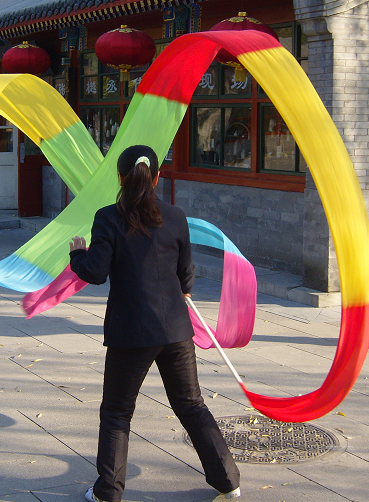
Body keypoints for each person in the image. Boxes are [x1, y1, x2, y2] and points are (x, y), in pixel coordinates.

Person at [69, 145, 240, 502]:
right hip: (176, 330)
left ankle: (108, 491)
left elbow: (95, 272)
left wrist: (77, 254)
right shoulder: (175, 216)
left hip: (131, 333)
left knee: (117, 412)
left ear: (120, 178)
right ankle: (228, 480)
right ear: (158, 177)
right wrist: (185, 289)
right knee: (191, 404)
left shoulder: (108, 218)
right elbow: (186, 270)